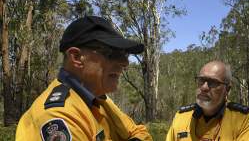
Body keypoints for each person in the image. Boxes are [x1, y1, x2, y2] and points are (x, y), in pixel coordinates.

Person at [16, 16, 153, 141]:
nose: (125, 63)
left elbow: (139, 132)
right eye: (112, 53)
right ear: (76, 57)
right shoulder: (58, 116)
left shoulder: (99, 99)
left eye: (125, 54)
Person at [166, 61, 249, 141]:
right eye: (201, 80)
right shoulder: (181, 117)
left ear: (227, 89)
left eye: (213, 82)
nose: (204, 87)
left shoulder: (242, 119)